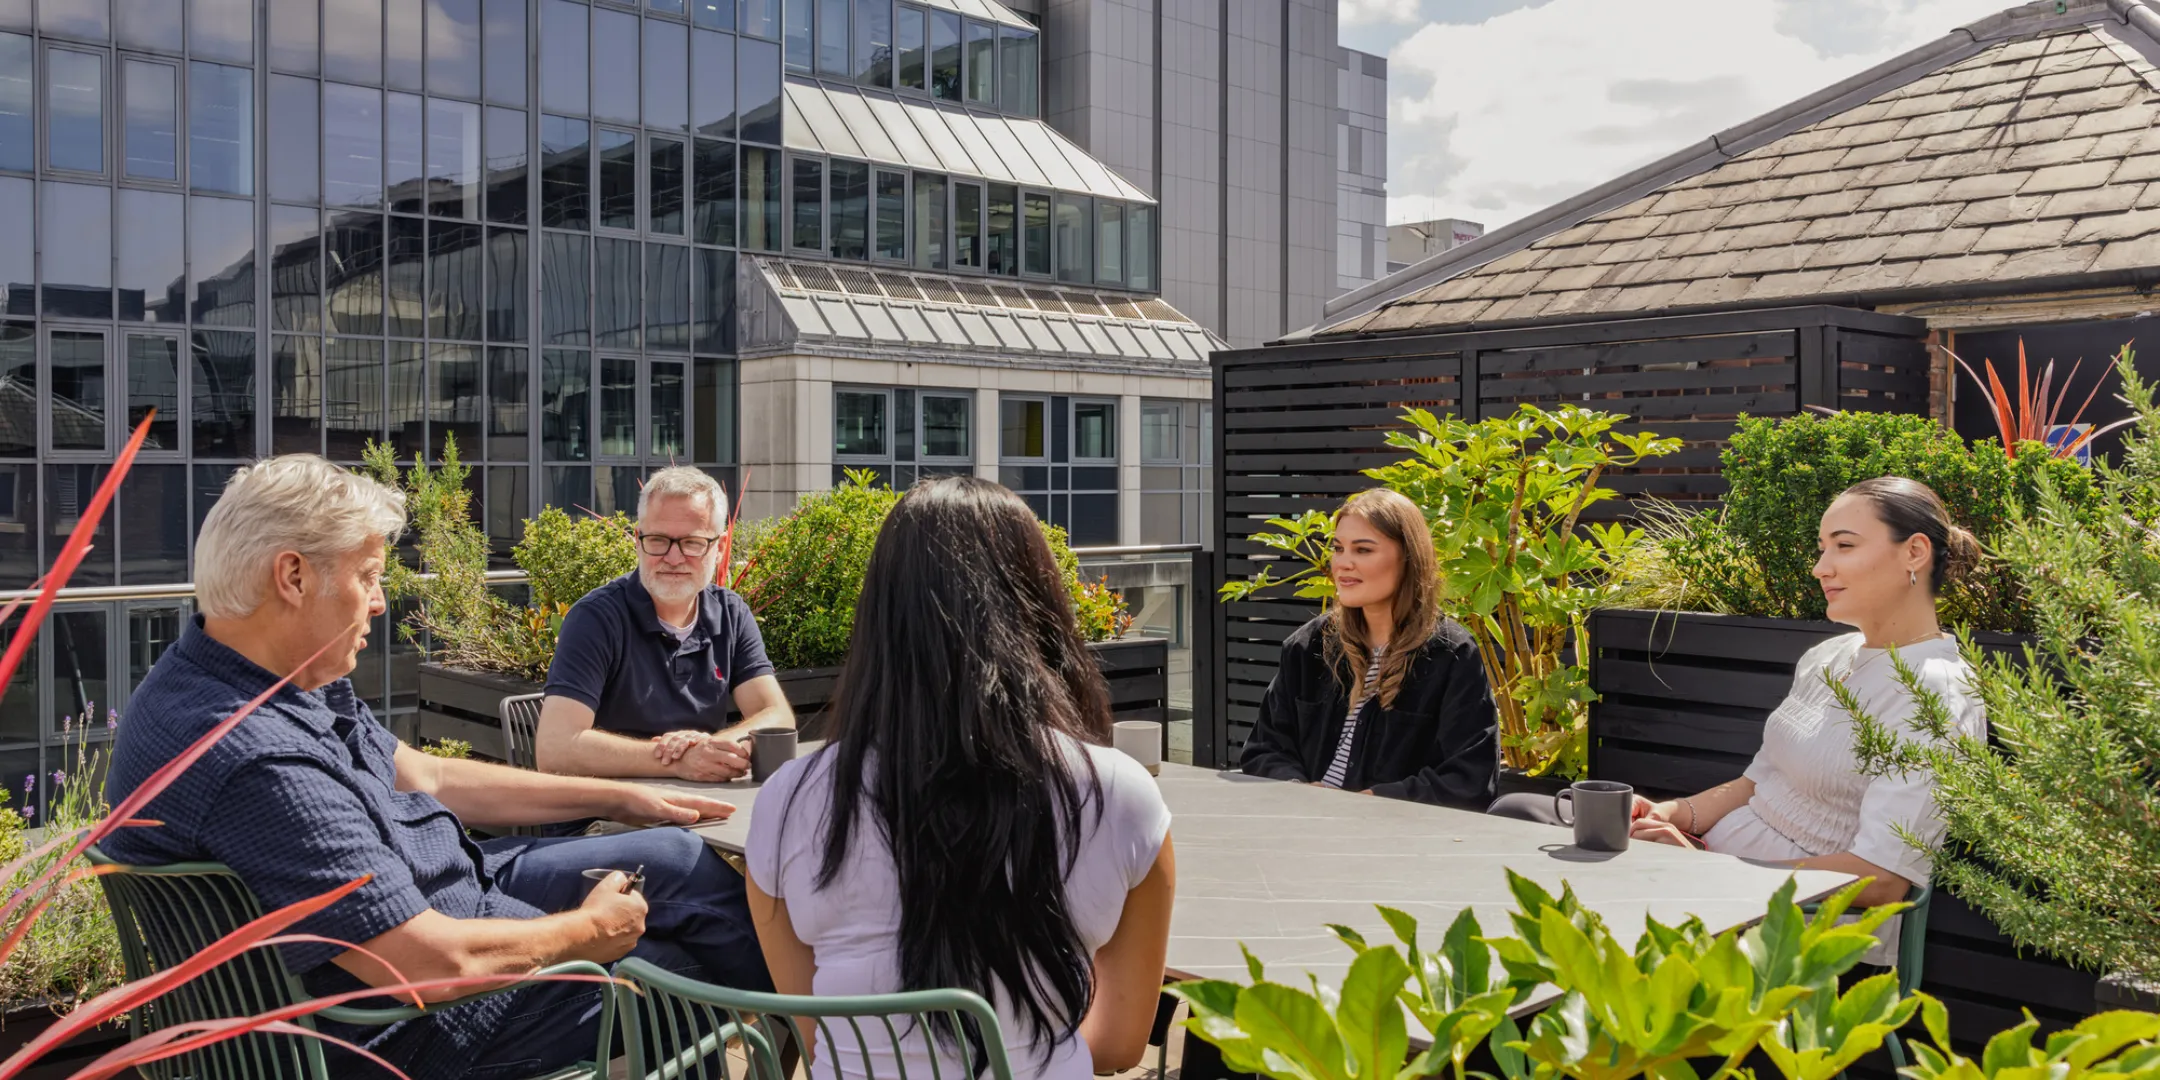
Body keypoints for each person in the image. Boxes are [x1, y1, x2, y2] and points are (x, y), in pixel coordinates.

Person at [103, 455, 774, 1080]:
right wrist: (588, 932)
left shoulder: (266, 680)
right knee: (686, 979)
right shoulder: (253, 755)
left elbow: (427, 776)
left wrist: (626, 798)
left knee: (680, 859)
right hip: (402, 1028)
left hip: (443, 898)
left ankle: (818, 1047)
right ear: (293, 576)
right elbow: (434, 965)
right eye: (368, 576)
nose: (379, 603)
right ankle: (822, 1045)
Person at [745, 477, 1176, 1080]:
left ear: (880, 616)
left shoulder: (787, 804)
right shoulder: (1122, 797)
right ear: (1040, 604)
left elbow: (823, 1033)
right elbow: (1119, 1048)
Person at [1491, 476, 1986, 958]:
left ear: (1914, 553)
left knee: (1556, 901)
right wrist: (1672, 814)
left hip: (1791, 921)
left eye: (1844, 546)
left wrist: (1716, 872)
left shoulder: (1936, 694)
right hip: (1717, 869)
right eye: (1822, 548)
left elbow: (1881, 879)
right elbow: (1757, 784)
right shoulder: (1831, 656)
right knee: (1518, 815)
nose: (1820, 567)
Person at [1238, 488, 1499, 807]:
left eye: (1363, 550)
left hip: (1398, 840)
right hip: (1306, 824)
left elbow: (1469, 778)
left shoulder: (1452, 654)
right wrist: (1300, 790)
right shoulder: (1308, 647)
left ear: (1408, 558)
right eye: (1338, 548)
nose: (1343, 564)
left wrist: (1376, 802)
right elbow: (1264, 750)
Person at [536, 466, 792, 782]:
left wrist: (709, 747)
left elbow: (777, 716)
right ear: (637, 540)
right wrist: (677, 761)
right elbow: (555, 747)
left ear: (720, 547)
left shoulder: (730, 613)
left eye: (692, 542)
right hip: (607, 817)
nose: (673, 558)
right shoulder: (596, 618)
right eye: (658, 540)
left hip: (702, 805)